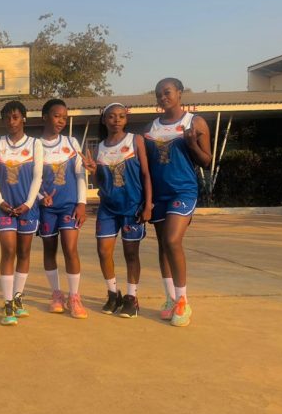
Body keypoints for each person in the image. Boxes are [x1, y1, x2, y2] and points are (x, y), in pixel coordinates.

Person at [144, 78, 211, 327]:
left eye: (167, 92)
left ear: (180, 93)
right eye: (159, 94)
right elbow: (146, 166)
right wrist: (146, 200)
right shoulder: (151, 127)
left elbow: (206, 161)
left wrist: (191, 143)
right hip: (158, 195)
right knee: (163, 245)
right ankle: (170, 299)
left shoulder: (195, 122)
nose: (163, 97)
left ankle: (183, 301)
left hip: (182, 191)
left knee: (173, 241)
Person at [80, 103, 152, 318]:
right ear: (104, 120)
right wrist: (93, 171)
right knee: (103, 251)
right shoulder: (99, 148)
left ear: (126, 119)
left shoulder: (135, 140)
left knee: (131, 253)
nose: (116, 120)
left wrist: (148, 204)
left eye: (121, 116)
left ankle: (131, 297)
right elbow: (101, 183)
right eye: (111, 116)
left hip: (132, 207)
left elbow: (146, 174)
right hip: (108, 208)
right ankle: (113, 294)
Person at [0, 101, 43, 326]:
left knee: (24, 251)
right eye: (8, 118)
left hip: (27, 207)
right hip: (5, 207)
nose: (11, 122)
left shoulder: (35, 144)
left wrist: (29, 203)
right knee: (9, 250)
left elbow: (38, 176)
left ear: (23, 119)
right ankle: (7, 302)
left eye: (16, 117)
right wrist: (0, 201)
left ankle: (18, 297)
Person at [38, 99, 88, 318]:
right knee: (50, 250)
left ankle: (74, 296)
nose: (61, 121)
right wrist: (40, 197)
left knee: (70, 248)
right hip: (47, 208)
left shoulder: (71, 142)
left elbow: (80, 173)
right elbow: (33, 178)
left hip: (69, 205)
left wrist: (81, 203)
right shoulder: (35, 145)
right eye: (57, 116)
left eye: (64, 118)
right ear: (45, 117)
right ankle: (56, 294)